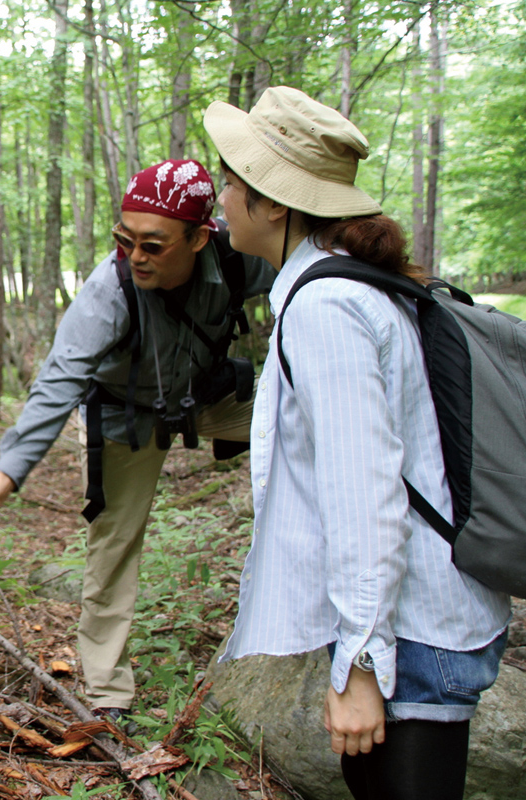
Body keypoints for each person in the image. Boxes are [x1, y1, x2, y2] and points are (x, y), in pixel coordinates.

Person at [202, 86, 509, 800]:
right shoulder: (352, 288)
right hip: (422, 623)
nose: (221, 194)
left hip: (415, 637)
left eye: (232, 177)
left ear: (273, 203)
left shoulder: (328, 308)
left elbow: (364, 493)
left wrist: (363, 668)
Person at [0, 160, 274, 722]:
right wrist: (2, 478)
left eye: (153, 245)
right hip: (128, 418)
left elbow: (312, 270)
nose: (135, 256)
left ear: (200, 238)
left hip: (206, 400)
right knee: (115, 548)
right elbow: (57, 382)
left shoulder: (235, 258)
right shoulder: (108, 291)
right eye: (124, 239)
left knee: (305, 420)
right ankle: (109, 696)